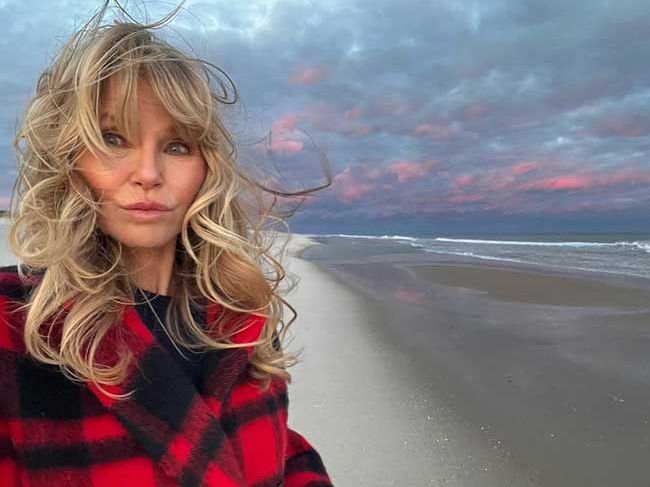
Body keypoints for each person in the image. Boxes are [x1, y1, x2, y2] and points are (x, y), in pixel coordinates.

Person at [0, 2, 333, 486]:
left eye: (177, 146)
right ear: (69, 159)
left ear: (206, 168)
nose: (149, 175)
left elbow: (279, 450)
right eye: (113, 138)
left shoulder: (240, 316)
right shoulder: (16, 327)